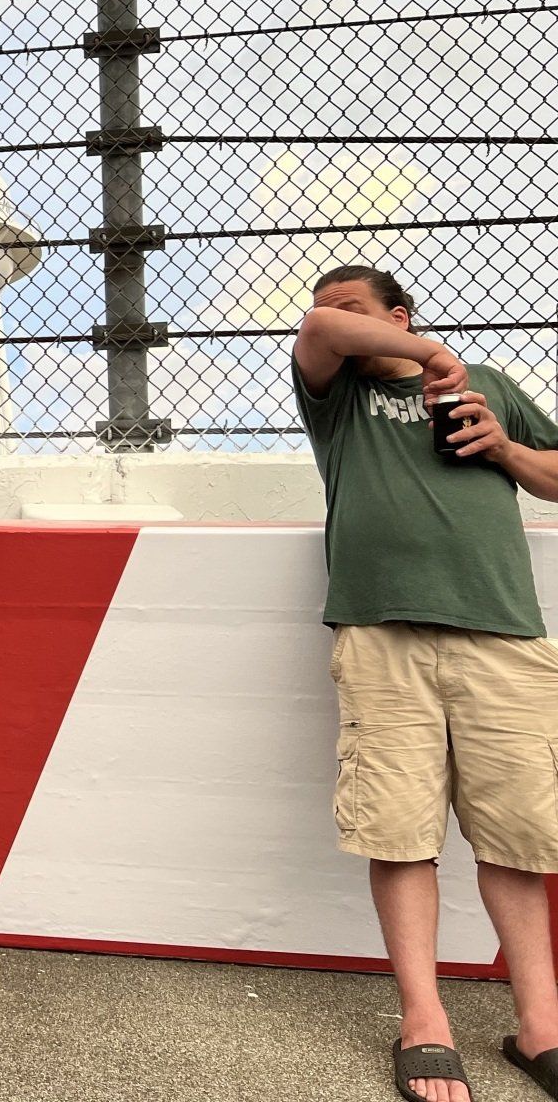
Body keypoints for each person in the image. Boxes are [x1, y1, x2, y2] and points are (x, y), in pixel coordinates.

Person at [293, 264, 558, 1102]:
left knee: (517, 836)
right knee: (399, 831)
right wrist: (430, 352)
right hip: (382, 636)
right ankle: (424, 1021)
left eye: (355, 307)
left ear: (398, 314)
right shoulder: (338, 395)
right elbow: (320, 333)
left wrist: (503, 446)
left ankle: (541, 1028)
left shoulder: (492, 386)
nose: (329, 318)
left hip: (502, 634)